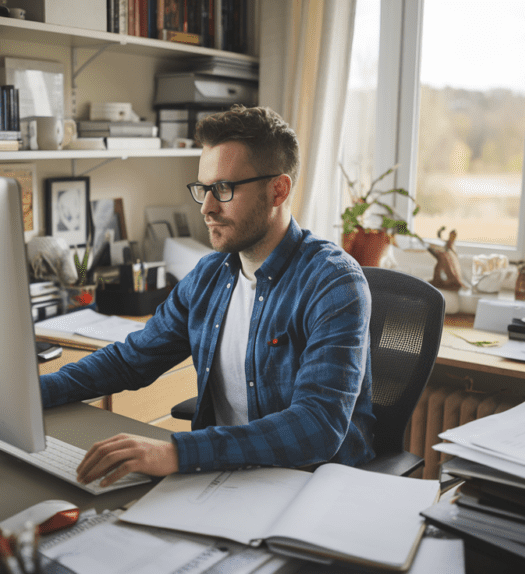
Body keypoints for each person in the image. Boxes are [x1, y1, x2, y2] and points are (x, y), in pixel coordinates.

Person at [40, 105, 376, 488]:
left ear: (277, 190)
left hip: (311, 485)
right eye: (204, 189)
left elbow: (318, 426)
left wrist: (176, 452)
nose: (207, 207)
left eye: (224, 189)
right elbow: (130, 361)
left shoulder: (334, 284)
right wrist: (32, 395)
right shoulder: (208, 277)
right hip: (219, 479)